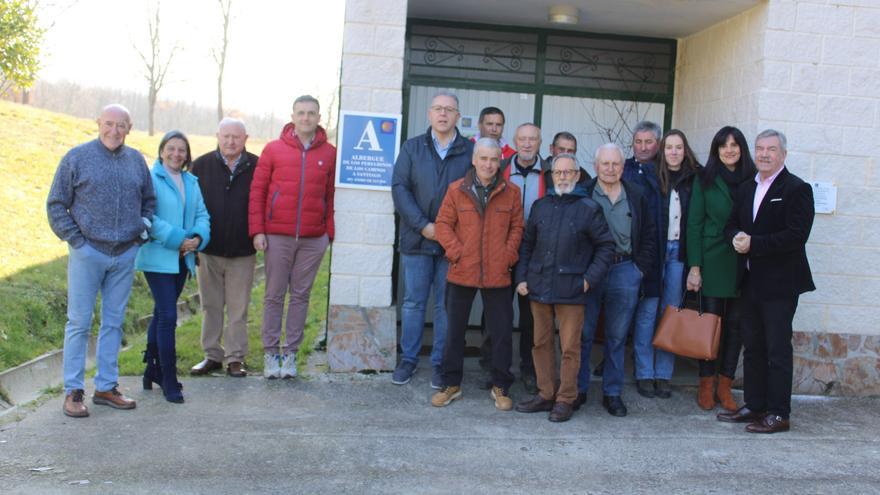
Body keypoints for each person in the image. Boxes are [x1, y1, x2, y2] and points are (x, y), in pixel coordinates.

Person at [47, 104, 155, 418]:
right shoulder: (77, 158)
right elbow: (56, 204)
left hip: (124, 253)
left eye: (121, 125)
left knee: (114, 322)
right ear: (98, 123)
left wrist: (141, 234)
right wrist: (76, 241)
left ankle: (106, 386)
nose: (114, 130)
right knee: (79, 322)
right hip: (87, 252)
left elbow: (148, 201)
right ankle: (73, 391)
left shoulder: (136, 161)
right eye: (109, 123)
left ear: (129, 128)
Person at [718, 130, 815, 434]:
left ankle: (778, 413)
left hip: (780, 285)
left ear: (783, 155)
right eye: (759, 148)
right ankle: (755, 405)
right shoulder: (748, 187)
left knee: (776, 350)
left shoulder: (797, 189)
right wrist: (735, 237)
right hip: (749, 282)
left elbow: (796, 236)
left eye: (771, 149)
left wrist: (754, 244)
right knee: (754, 347)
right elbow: (731, 224)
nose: (764, 154)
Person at [514, 153, 614, 422]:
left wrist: (588, 279)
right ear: (552, 175)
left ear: (578, 174)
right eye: (558, 173)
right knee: (540, 343)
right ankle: (546, 394)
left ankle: (565, 399)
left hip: (572, 289)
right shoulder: (540, 206)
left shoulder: (588, 208)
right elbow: (527, 245)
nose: (563, 177)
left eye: (568, 172)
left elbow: (606, 247)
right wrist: (521, 277)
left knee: (570, 347)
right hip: (539, 286)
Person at [431, 138, 524, 410]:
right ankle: (451, 384)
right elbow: (443, 225)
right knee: (454, 332)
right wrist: (457, 253)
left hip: (498, 273)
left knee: (501, 332)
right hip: (462, 270)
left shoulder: (512, 192)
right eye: (483, 158)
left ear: (500, 161)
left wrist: (508, 256)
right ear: (474, 160)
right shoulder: (456, 190)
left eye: (494, 159)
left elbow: (518, 228)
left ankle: (501, 385)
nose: (488, 164)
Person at [249, 95, 335, 380]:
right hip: (278, 235)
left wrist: (328, 234)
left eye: (311, 113)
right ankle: (271, 353)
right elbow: (258, 193)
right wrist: (258, 230)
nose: (306, 118)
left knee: (300, 296)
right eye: (301, 113)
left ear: (319, 117)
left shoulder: (330, 153)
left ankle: (291, 354)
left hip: (313, 238)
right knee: (274, 296)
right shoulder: (274, 150)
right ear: (293, 116)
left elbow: (332, 196)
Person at [391, 91, 472, 388]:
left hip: (452, 244)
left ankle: (441, 363)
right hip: (417, 239)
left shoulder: (468, 151)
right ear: (429, 114)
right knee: (413, 303)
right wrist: (423, 225)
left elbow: (473, 195)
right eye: (438, 109)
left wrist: (448, 232)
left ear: (457, 116)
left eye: (449, 110)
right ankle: (409, 360)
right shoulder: (412, 148)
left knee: (445, 306)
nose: (443, 114)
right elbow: (400, 188)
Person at [577, 143, 657, 417]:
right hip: (590, 272)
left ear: (623, 167)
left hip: (625, 270)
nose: (610, 169)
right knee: (583, 334)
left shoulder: (637, 194)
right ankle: (579, 389)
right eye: (605, 164)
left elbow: (649, 234)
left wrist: (639, 269)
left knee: (617, 337)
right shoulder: (583, 193)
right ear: (596, 165)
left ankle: (612, 393)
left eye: (615, 164)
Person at [136, 130, 210, 403]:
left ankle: (150, 369)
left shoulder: (191, 181)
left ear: (187, 155)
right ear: (162, 150)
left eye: (181, 150)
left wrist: (197, 239)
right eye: (171, 148)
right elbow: (149, 217)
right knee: (168, 317)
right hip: (158, 257)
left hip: (183, 258)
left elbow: (202, 213)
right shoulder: (151, 178)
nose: (176, 154)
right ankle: (168, 377)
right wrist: (178, 239)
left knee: (160, 313)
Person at [686, 126, 756, 411]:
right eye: (723, 145)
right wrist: (695, 266)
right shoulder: (705, 179)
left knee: (736, 328)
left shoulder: (754, 178)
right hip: (713, 259)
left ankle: (725, 386)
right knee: (710, 327)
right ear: (716, 150)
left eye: (734, 144)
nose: (729, 150)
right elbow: (694, 224)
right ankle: (705, 384)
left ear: (742, 148)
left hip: (744, 262)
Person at [189, 118, 259, 378]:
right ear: (217, 136)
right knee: (211, 305)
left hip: (243, 249)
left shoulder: (257, 165)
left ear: (245, 139)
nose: (231, 142)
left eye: (236, 137)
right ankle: (212, 355)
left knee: (238, 308)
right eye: (226, 136)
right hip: (209, 249)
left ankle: (235, 358)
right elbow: (192, 205)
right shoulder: (201, 165)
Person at [650, 130, 702, 398]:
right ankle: (646, 372)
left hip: (679, 252)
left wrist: (696, 264)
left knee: (670, 313)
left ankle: (663, 375)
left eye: (678, 147)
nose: (673, 152)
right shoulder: (652, 175)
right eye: (669, 147)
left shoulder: (695, 177)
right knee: (648, 313)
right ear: (662, 150)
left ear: (685, 150)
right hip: (656, 252)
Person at [500, 122, 551, 394]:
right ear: (515, 141)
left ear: (540, 142)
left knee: (531, 317)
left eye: (533, 139)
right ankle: (497, 368)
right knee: (498, 313)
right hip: (504, 250)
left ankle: (530, 370)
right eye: (523, 139)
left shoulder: (552, 173)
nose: (528, 144)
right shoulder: (500, 169)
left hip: (536, 255)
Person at [621, 121, 664, 399]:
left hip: (656, 253)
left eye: (649, 142)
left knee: (648, 316)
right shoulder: (621, 168)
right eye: (639, 141)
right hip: (624, 254)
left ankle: (645, 372)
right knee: (619, 314)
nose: (644, 147)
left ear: (657, 144)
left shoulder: (666, 172)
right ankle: (613, 361)